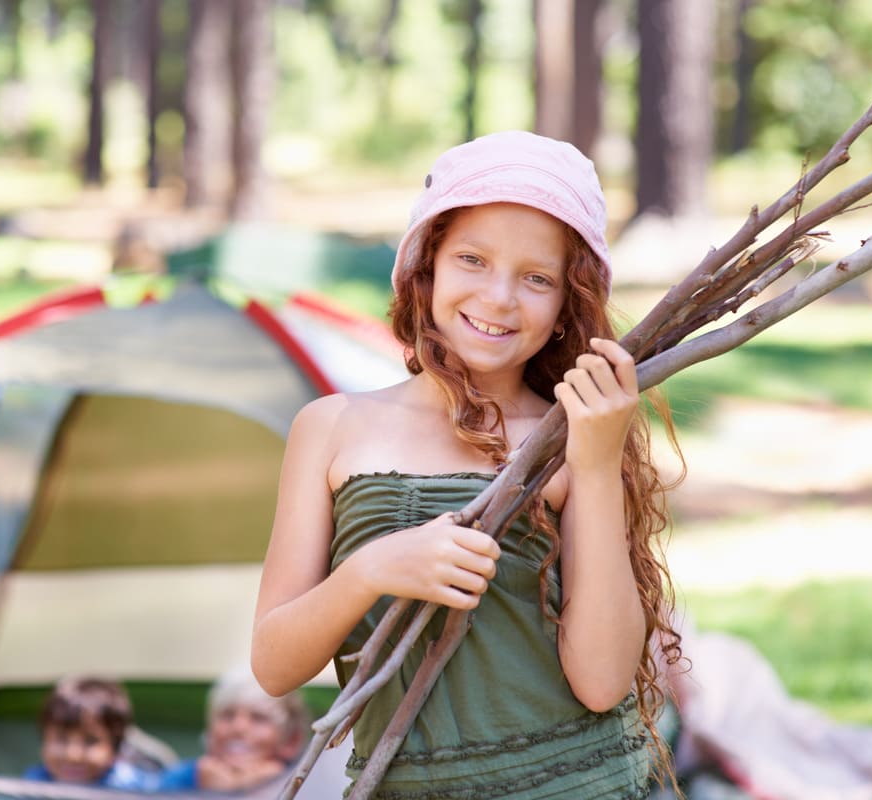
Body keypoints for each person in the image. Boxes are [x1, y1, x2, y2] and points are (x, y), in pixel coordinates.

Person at [252, 130, 683, 797]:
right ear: (426, 266)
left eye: (536, 277)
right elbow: (275, 665)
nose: (499, 297)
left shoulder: (574, 436)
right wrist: (372, 569)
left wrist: (596, 468)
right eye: (473, 260)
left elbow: (601, 682)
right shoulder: (332, 429)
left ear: (569, 302)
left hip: (575, 784)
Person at [153, 666, 309, 793]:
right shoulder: (179, 780)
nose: (238, 728)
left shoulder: (304, 783)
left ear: (291, 740)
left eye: (258, 718)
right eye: (227, 715)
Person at [22, 676, 155, 790]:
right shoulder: (34, 782)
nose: (73, 755)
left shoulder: (129, 786)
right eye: (61, 739)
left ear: (115, 750)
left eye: (90, 741)